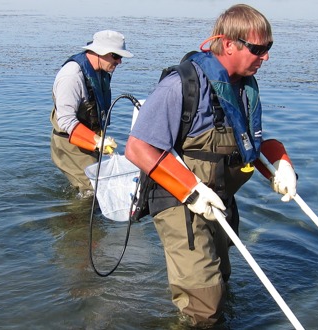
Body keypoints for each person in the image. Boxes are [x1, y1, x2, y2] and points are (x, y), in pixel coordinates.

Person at [124, 4, 298, 327]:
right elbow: (137, 148)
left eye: (269, 48)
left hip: (220, 202)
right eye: (258, 49)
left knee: (221, 284)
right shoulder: (182, 85)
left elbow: (252, 146)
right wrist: (190, 191)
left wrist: (282, 163)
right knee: (204, 307)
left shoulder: (243, 88)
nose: (266, 57)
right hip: (181, 203)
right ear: (228, 44)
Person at [50, 30, 133, 197]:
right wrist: (97, 141)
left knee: (95, 188)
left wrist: (99, 140)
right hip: (70, 145)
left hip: (88, 142)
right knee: (93, 193)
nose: (120, 62)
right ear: (101, 52)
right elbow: (66, 121)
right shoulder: (71, 76)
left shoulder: (100, 71)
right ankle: (73, 222)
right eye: (116, 56)